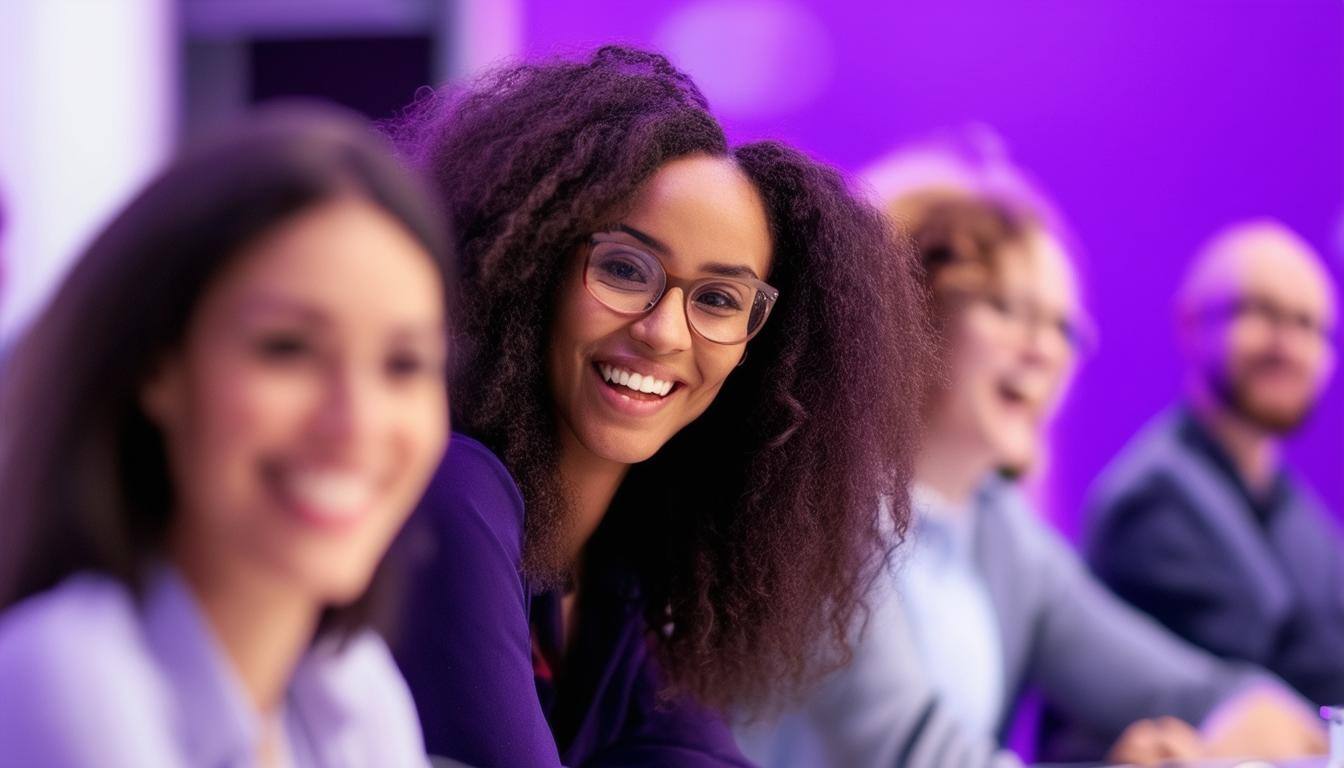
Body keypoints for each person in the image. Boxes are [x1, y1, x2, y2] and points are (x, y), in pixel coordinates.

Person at [388, 45, 931, 767]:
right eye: (623, 268)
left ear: (759, 351)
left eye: (718, 300)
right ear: (531, 260)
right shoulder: (455, 492)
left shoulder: (622, 577)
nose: (662, 332)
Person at [737, 169, 1327, 768]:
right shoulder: (821, 507)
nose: (1044, 351)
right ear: (912, 315)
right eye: (1009, 309)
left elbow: (1178, 688)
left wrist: (1258, 713)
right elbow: (908, 751)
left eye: (1062, 328)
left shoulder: (1004, 532)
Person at [0, 105, 452, 767]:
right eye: (287, 349)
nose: (356, 424)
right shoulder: (66, 677)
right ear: (159, 366)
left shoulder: (350, 685)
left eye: (404, 364)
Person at [1083, 220, 1342, 706]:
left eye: (1309, 325)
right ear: (1190, 322)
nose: (1287, 345)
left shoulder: (1302, 517)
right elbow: (1282, 676)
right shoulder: (1149, 501)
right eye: (1262, 311)